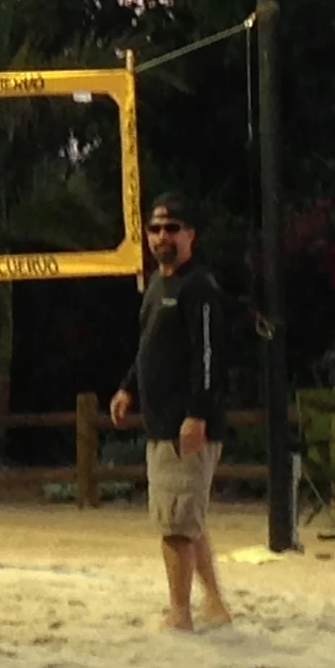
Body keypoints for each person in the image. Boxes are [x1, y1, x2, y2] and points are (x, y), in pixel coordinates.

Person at [110, 194, 237, 631]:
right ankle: (214, 605)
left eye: (172, 228)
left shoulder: (197, 287)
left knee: (176, 528)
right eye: (155, 229)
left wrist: (197, 414)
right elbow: (149, 348)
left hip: (184, 426)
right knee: (189, 522)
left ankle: (180, 613)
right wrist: (128, 387)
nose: (162, 236)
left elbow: (207, 354)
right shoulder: (156, 287)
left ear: (190, 235)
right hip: (161, 424)